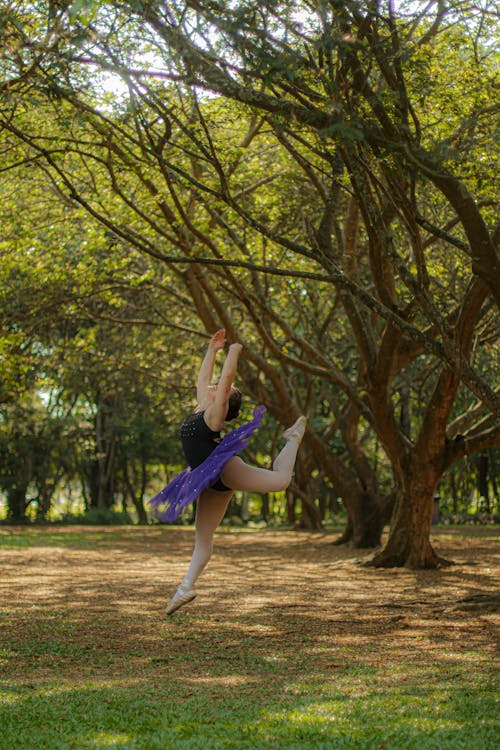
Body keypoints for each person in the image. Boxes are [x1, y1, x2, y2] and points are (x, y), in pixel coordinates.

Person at [151, 329, 307, 615]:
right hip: (205, 479)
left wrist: (234, 351)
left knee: (281, 480)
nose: (213, 387)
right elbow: (203, 379)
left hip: (224, 469)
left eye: (222, 390)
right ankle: (185, 588)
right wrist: (212, 349)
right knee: (203, 537)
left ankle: (293, 438)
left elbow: (225, 381)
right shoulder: (201, 407)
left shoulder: (213, 416)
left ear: (224, 400)